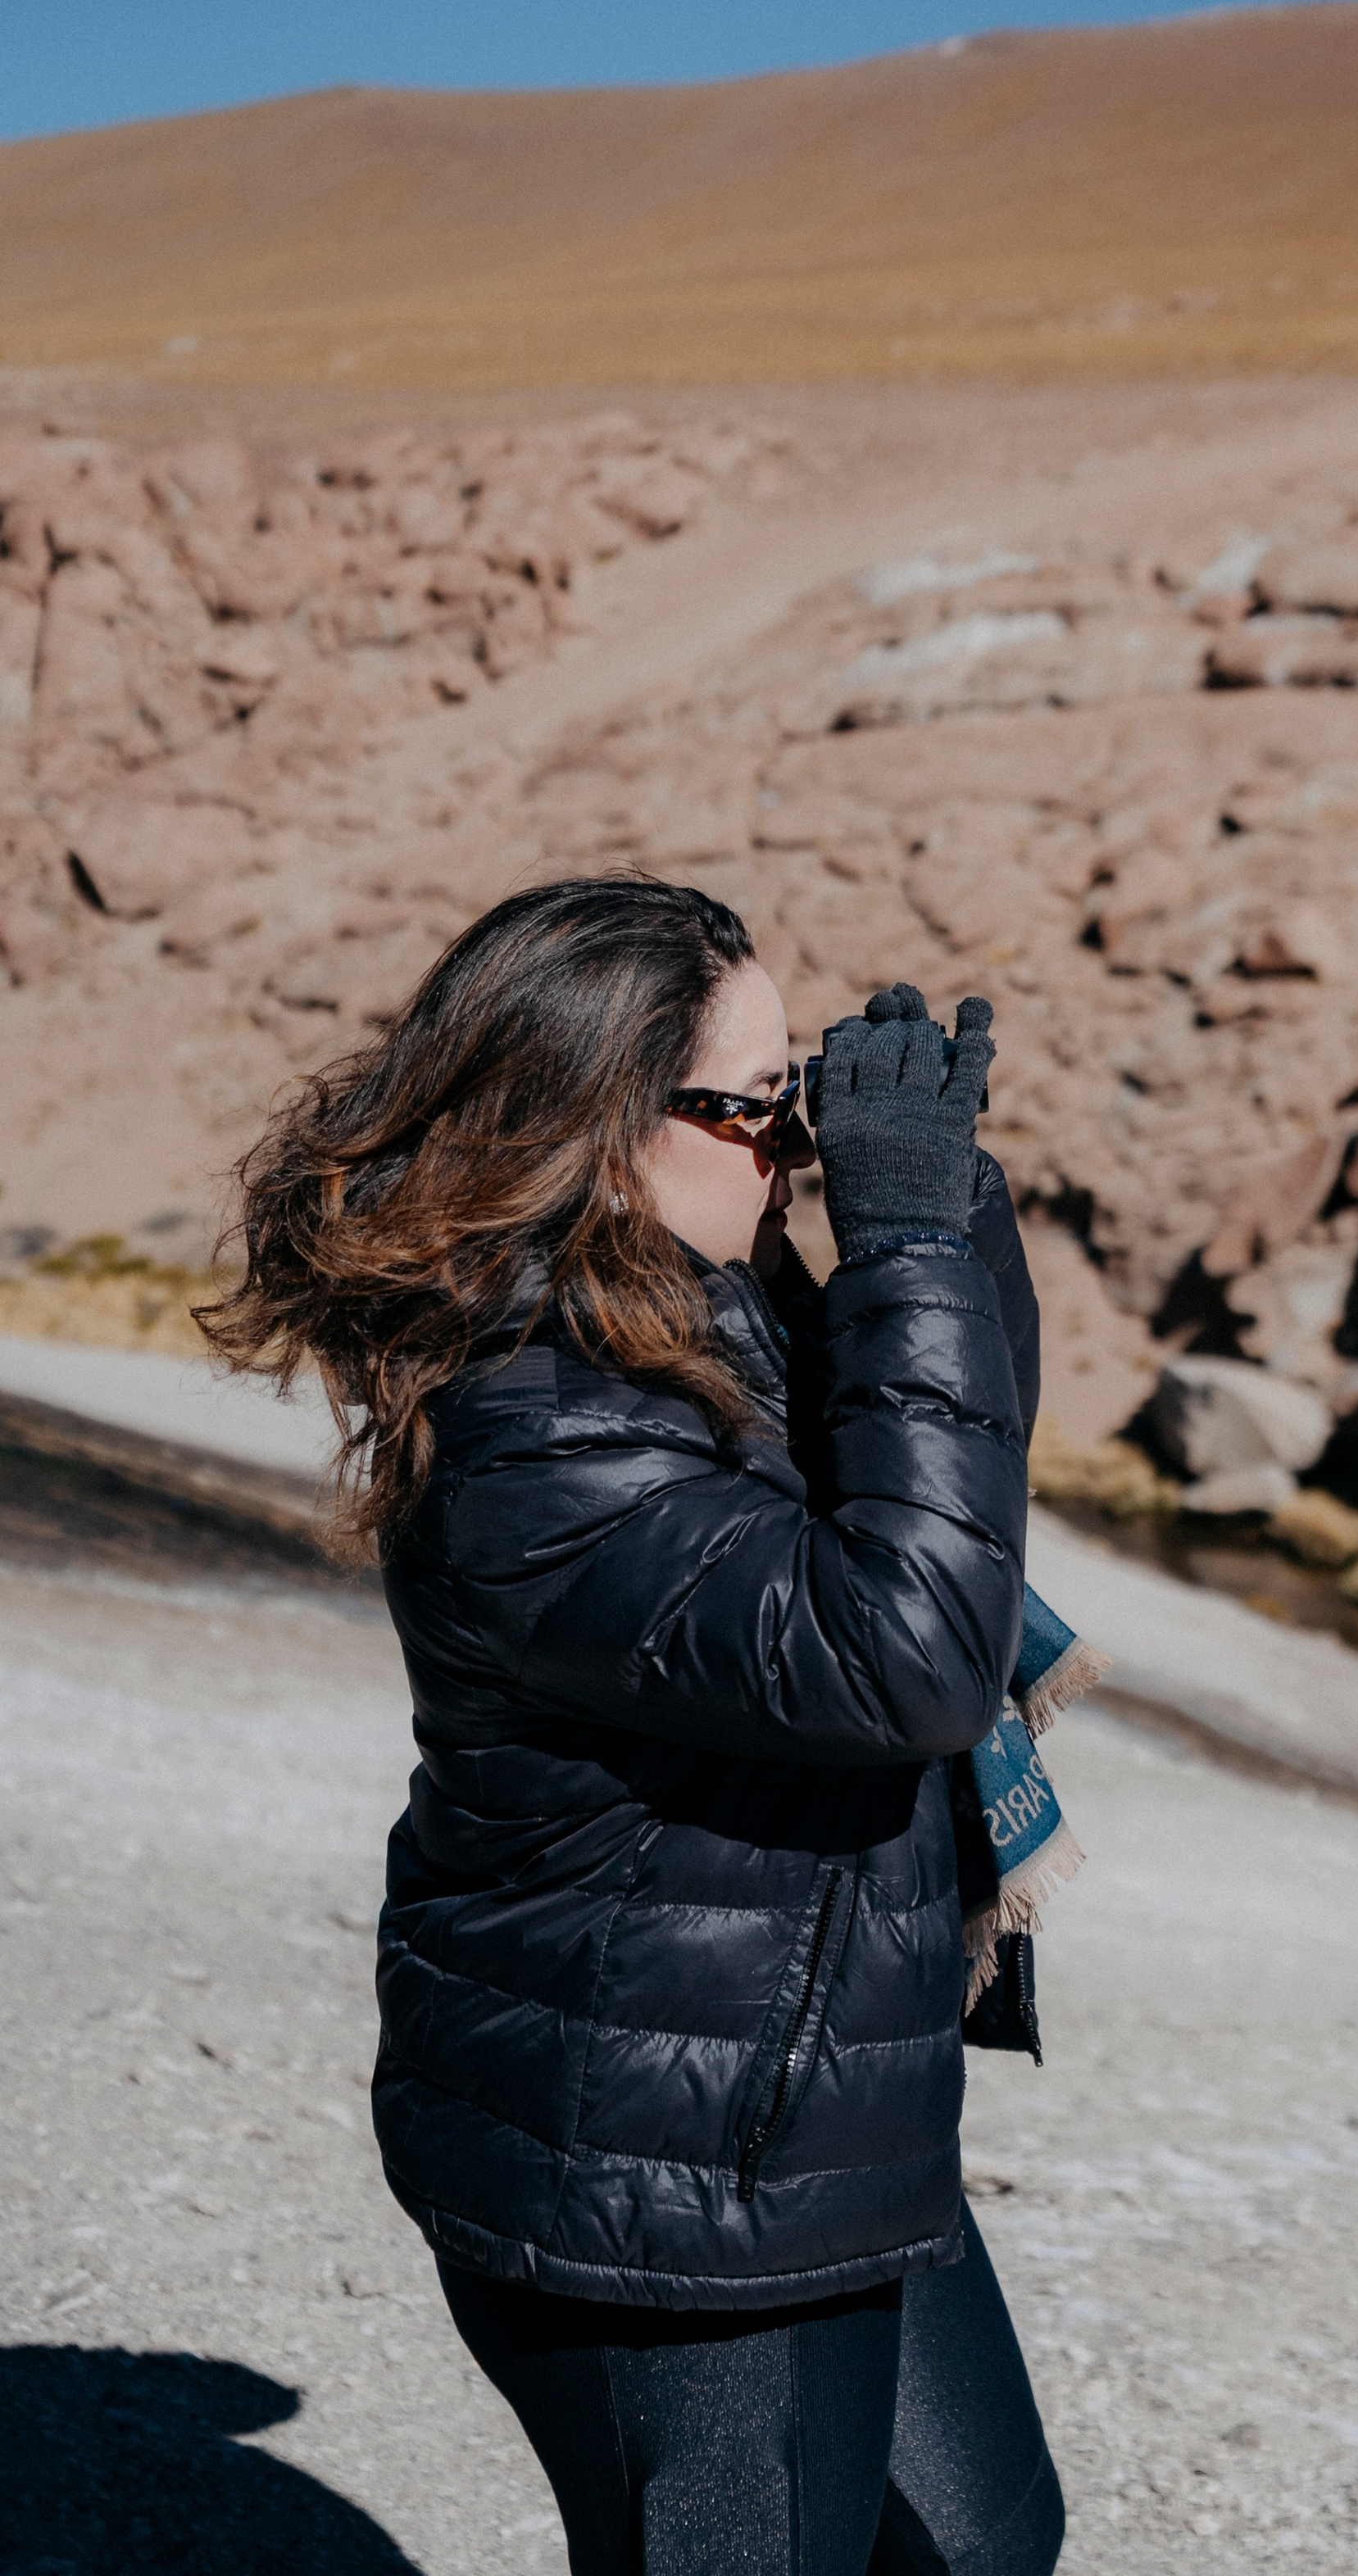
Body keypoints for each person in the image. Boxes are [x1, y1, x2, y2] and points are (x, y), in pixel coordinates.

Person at [201, 874, 1066, 2576]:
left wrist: (941, 1201)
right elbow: (912, 1648)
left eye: (791, 1093)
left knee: (974, 2543)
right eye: (753, 1111)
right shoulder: (539, 1409)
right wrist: (888, 1241)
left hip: (810, 2107)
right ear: (599, 1131)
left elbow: (962, 1450)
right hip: (654, 2177)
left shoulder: (708, 1312)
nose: (785, 1145)